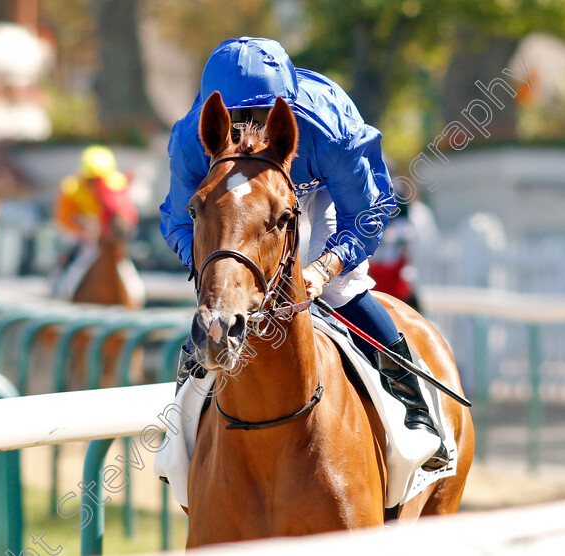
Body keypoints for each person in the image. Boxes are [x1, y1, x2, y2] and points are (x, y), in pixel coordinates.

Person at [160, 37, 447, 470]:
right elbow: (179, 222)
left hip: (322, 194)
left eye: (260, 117)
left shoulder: (330, 129)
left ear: (283, 111)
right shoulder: (192, 138)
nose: (248, 131)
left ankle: (417, 411)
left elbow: (368, 212)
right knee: (220, 300)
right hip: (239, 208)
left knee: (343, 291)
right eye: (235, 121)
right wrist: (218, 270)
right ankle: (176, 439)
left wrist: (324, 268)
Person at [52, 145, 139, 297]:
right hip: (82, 238)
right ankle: (59, 291)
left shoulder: (117, 186)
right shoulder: (71, 188)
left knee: (126, 268)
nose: (96, 185)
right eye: (91, 180)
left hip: (108, 239)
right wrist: (85, 228)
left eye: (100, 180)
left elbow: (128, 215)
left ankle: (136, 296)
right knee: (69, 261)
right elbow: (63, 219)